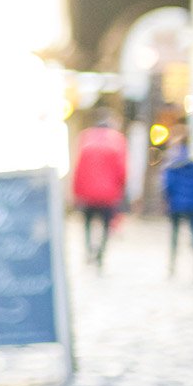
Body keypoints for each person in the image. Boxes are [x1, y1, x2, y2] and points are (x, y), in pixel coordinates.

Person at [71, 109, 128, 268]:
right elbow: (122, 170)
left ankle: (89, 250)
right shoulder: (117, 140)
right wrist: (121, 190)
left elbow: (78, 168)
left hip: (87, 193)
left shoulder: (85, 138)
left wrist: (76, 191)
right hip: (108, 193)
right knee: (105, 224)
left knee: (88, 224)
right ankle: (101, 253)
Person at [162, 136, 193, 279]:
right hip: (192, 205)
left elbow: (167, 186)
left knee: (175, 235)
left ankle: (172, 264)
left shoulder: (172, 164)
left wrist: (169, 198)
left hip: (176, 205)